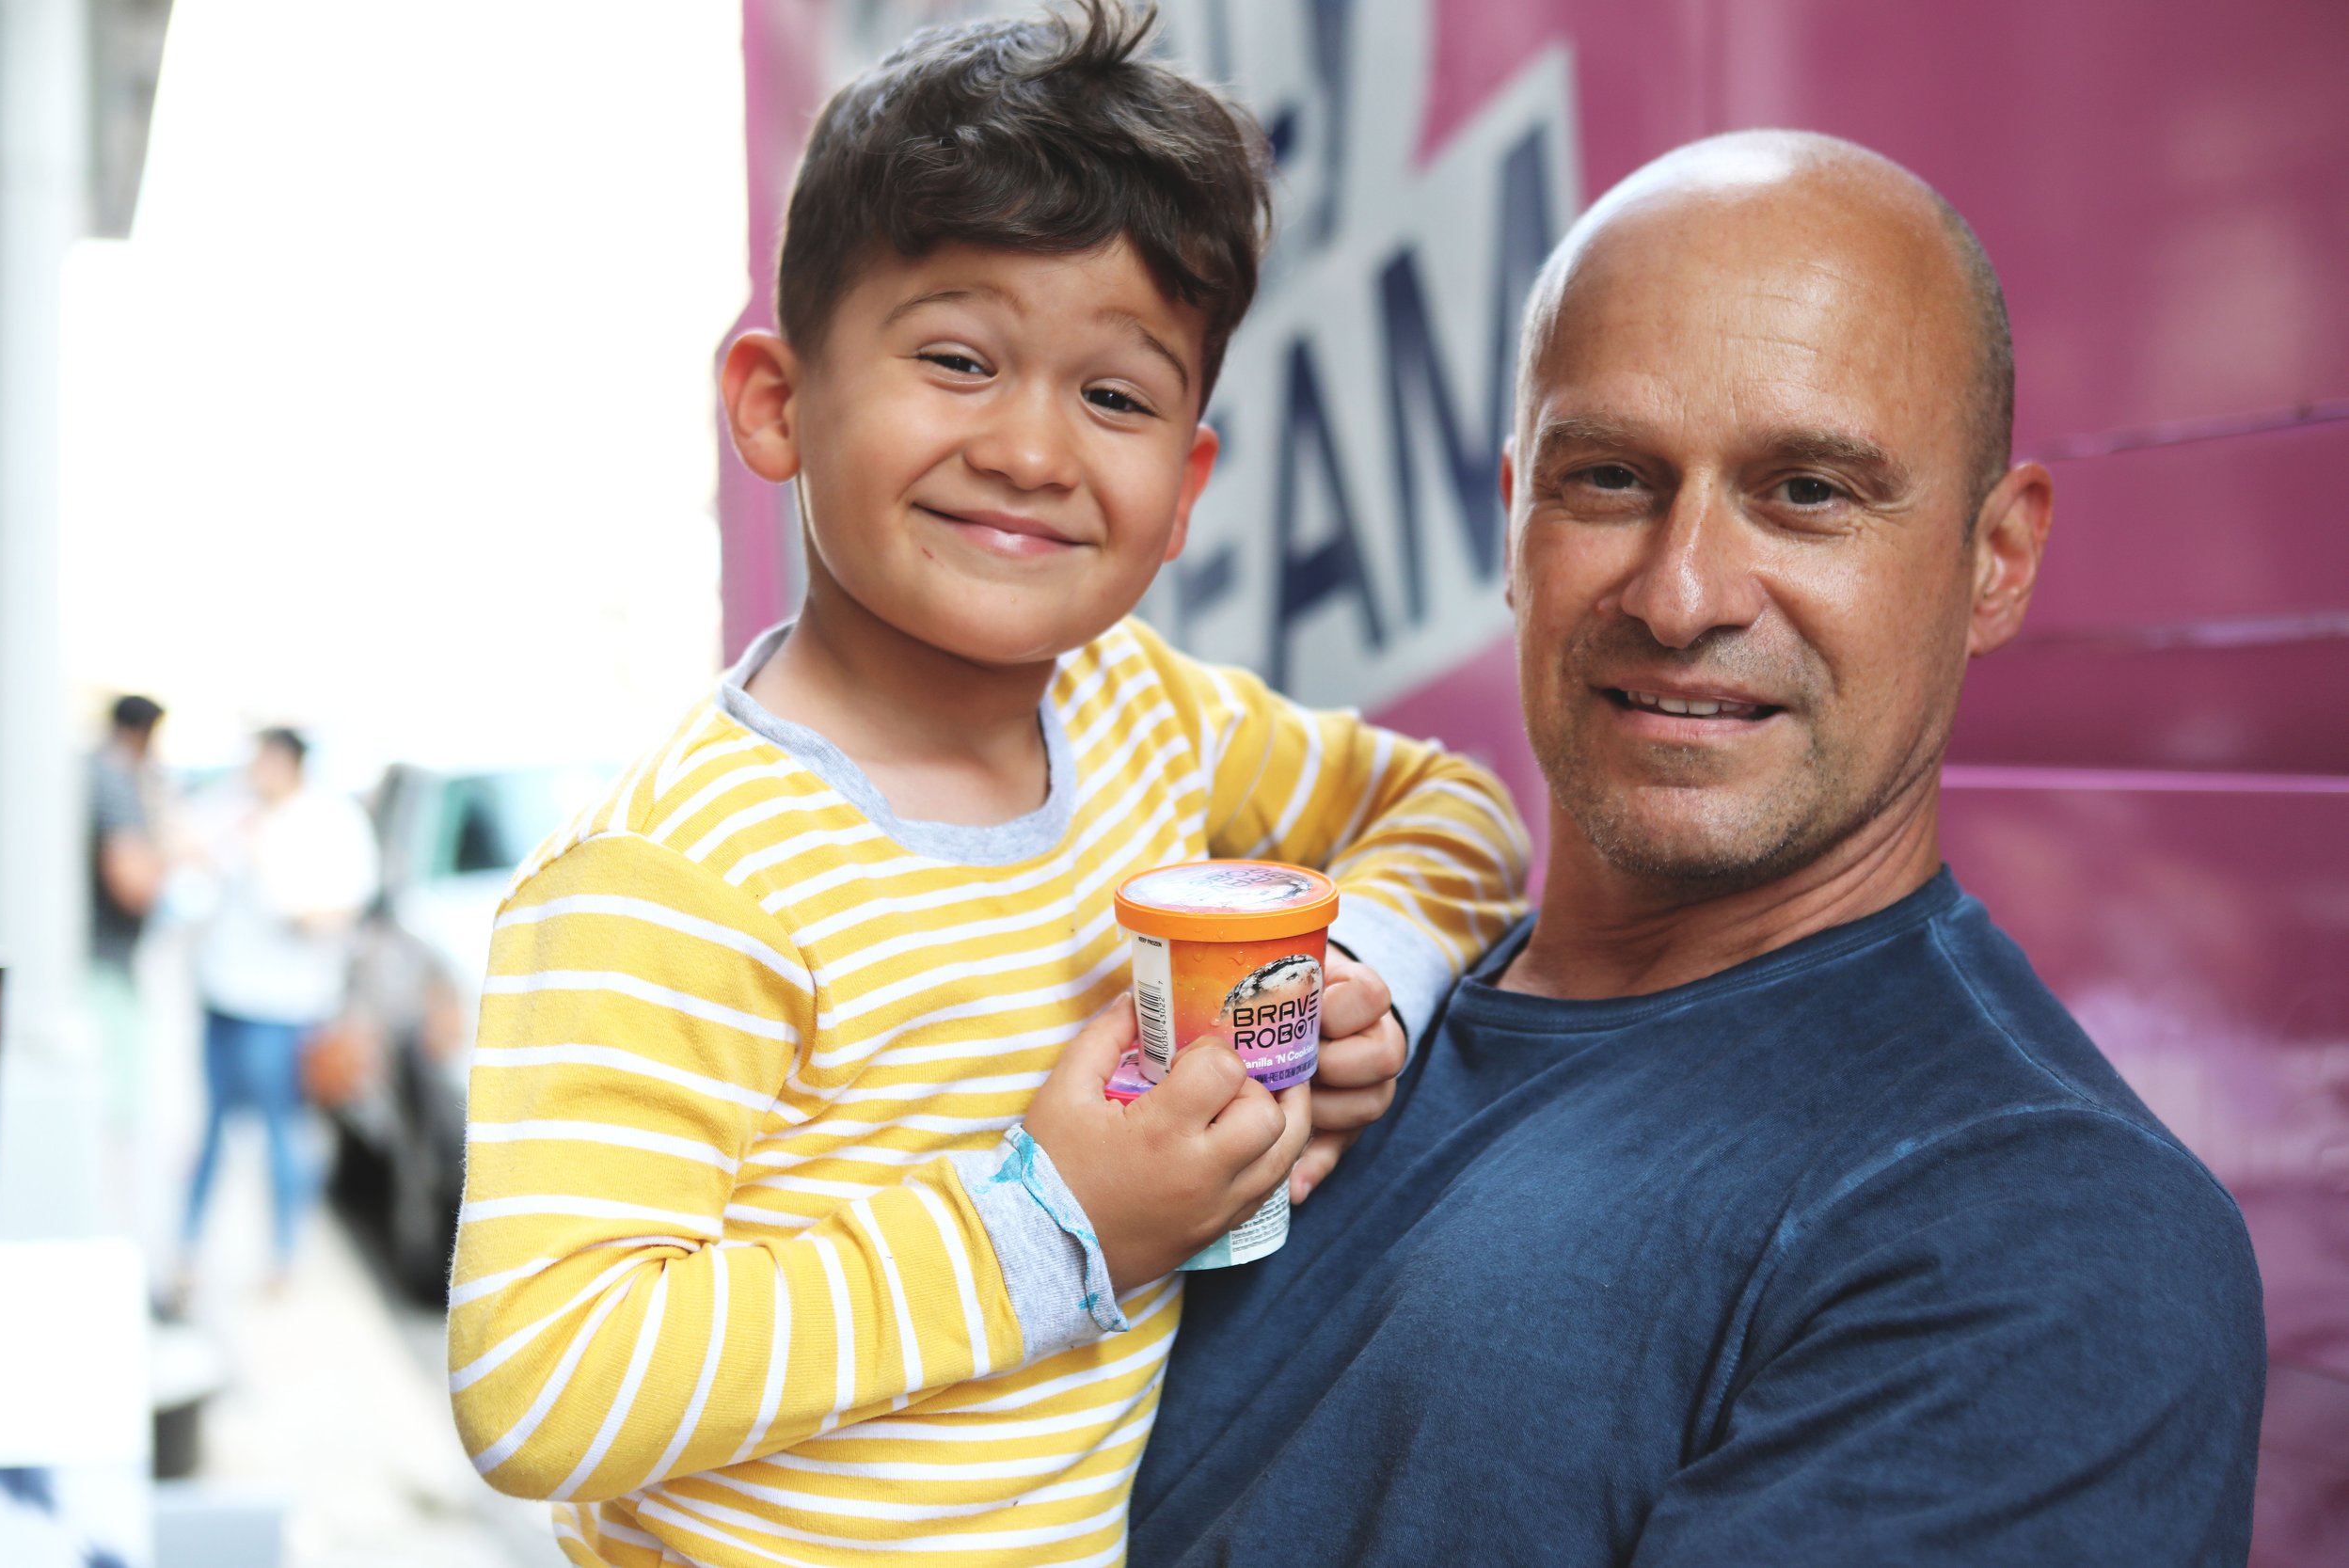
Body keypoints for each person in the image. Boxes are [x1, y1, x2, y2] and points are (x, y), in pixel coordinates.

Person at [444, 5, 1529, 1564]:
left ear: (1184, 494)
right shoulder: (674, 878)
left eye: (1115, 396)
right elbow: (542, 1383)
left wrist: (1367, 973)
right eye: (958, 358)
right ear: (775, 399)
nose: (1030, 446)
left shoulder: (1145, 714)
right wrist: (1052, 1226)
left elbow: (1457, 812)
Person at [1130, 131, 2266, 1566]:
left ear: (1998, 558)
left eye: (1809, 492)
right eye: (1609, 477)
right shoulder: (1347, 1023)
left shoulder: (2044, 1233)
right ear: (1513, 521)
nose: (1679, 595)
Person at [179, 726, 379, 1296]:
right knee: (211, 1130)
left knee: (281, 1133)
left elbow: (336, 913)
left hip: (286, 1006)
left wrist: (277, 876)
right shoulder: (234, 807)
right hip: (223, 994)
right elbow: (186, 852)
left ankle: (283, 1255)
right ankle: (189, 1251)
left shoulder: (330, 821)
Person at [87, 694, 167, 1122]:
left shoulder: (96, 771)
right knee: (114, 1103)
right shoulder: (112, 780)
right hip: (102, 960)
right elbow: (135, 886)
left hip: (100, 955)